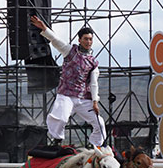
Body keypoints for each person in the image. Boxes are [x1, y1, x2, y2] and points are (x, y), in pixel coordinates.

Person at [30, 15, 106, 148]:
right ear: (80, 40)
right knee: (61, 118)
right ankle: (57, 141)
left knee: (99, 122)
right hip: (66, 95)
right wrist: (44, 29)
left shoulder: (93, 62)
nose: (88, 42)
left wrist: (95, 101)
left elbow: (94, 83)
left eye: (90, 39)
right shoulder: (70, 51)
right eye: (86, 39)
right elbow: (55, 40)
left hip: (83, 98)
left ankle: (95, 146)